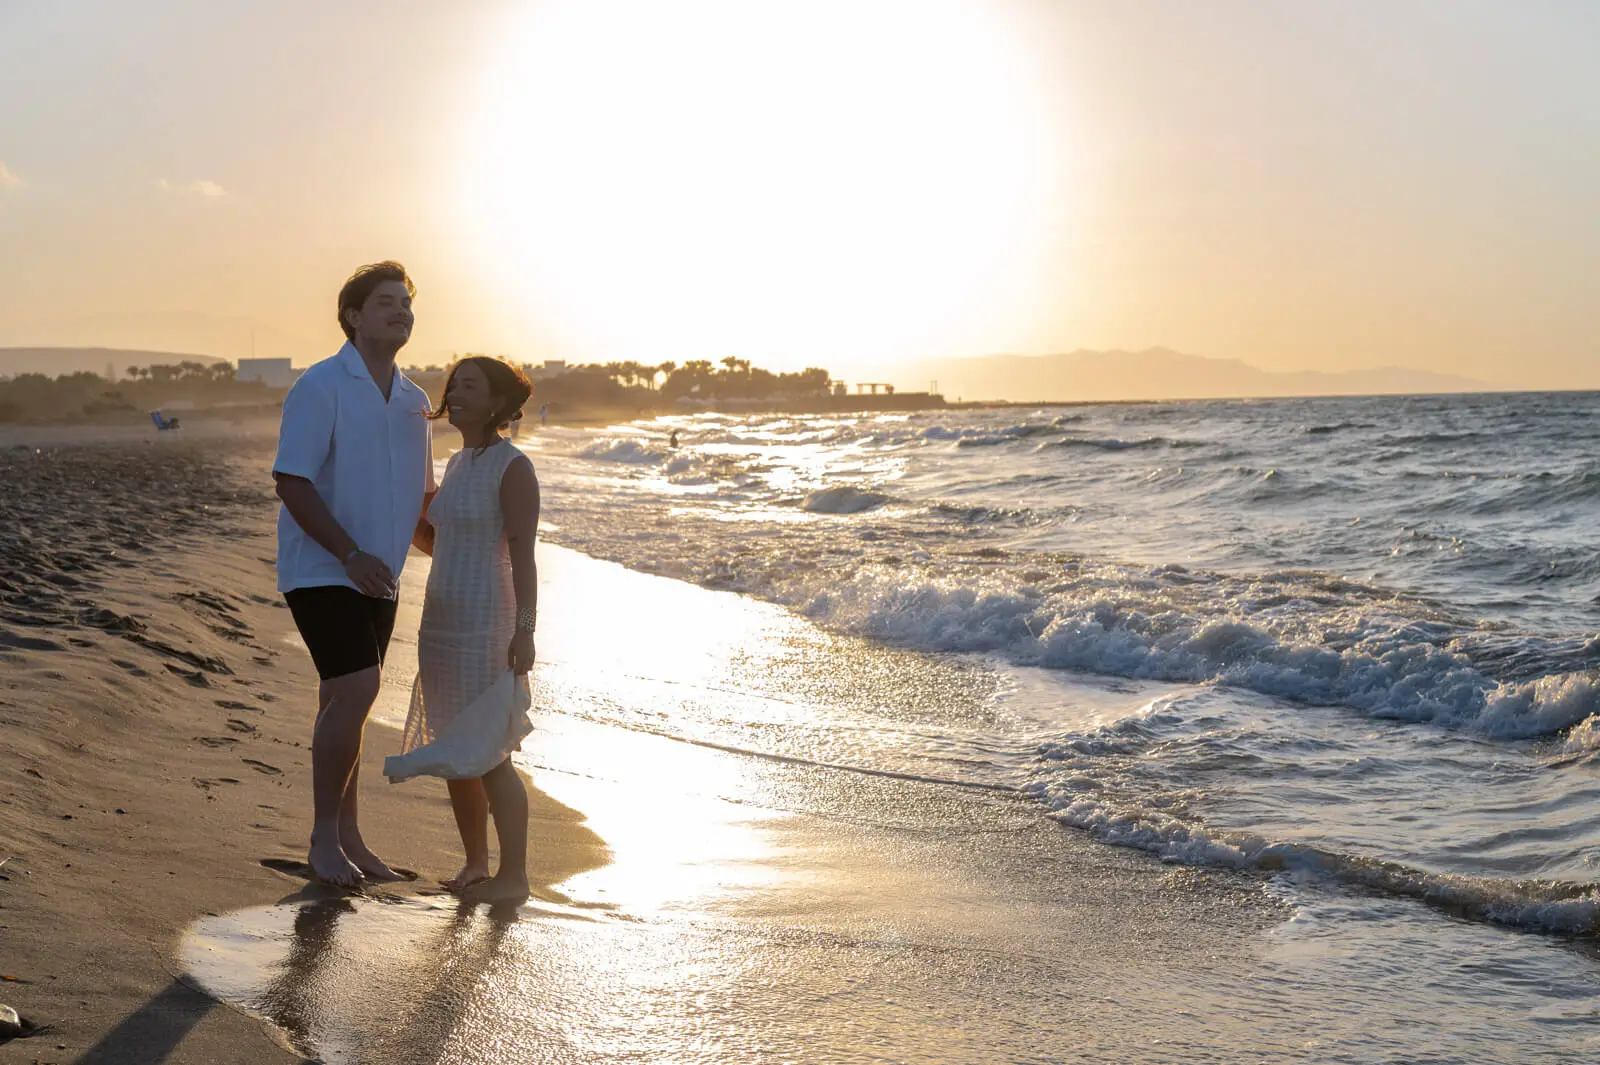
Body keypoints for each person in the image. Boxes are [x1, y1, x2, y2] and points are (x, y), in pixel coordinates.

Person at [272, 261, 436, 888]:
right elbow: (293, 480)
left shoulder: (416, 401)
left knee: (348, 701)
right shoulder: (321, 385)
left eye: (408, 305)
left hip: (382, 575)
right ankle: (321, 841)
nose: (402, 312)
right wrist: (348, 554)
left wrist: (464, 561)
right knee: (359, 690)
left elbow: (423, 504)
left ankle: (350, 838)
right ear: (354, 316)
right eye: (387, 302)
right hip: (322, 566)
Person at [395, 356, 540, 904]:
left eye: (469, 387)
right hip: (441, 624)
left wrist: (525, 631)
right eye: (453, 384)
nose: (454, 394)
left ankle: (515, 876)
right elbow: (440, 543)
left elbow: (524, 557)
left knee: (490, 753)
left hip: (488, 626)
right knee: (458, 749)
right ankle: (476, 864)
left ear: (498, 403)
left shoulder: (513, 466)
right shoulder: (456, 465)